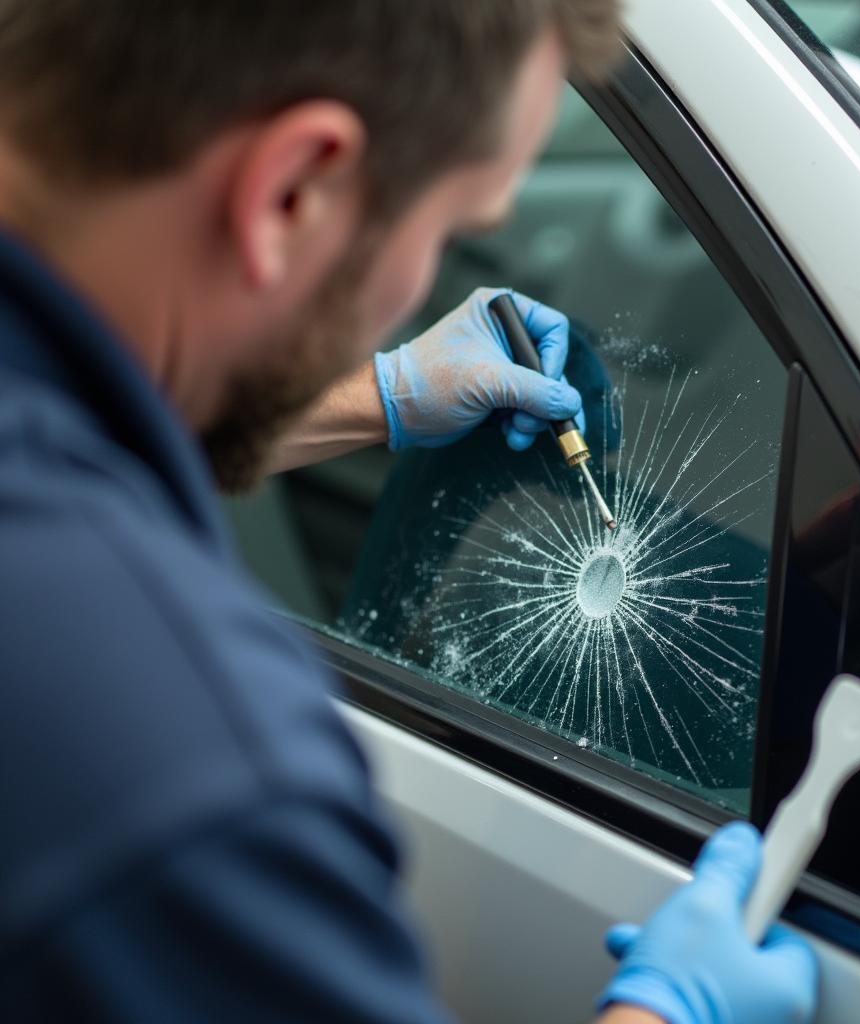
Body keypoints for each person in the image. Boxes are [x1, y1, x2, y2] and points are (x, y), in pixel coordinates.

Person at [0, 3, 817, 1022]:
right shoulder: (196, 779)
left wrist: (378, 394)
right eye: (449, 229)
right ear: (292, 190)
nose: (422, 279)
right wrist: (666, 1010)